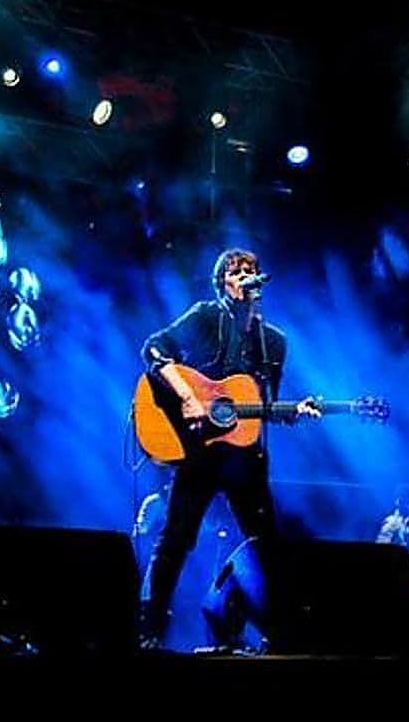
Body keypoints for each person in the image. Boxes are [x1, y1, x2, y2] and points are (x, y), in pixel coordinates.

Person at [137, 248, 320, 648]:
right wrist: (188, 396)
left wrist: (293, 411)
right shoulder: (205, 316)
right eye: (237, 272)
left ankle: (279, 634)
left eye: (252, 270)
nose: (247, 276)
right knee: (178, 537)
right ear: (223, 283)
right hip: (201, 451)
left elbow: (262, 404)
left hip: (245, 455)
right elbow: (154, 348)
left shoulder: (274, 342)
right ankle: (149, 629)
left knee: (266, 543)